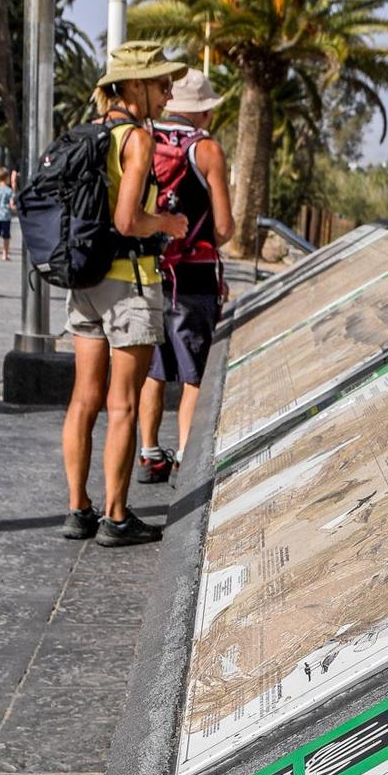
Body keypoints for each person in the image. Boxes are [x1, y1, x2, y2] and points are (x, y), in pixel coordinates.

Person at [59, 40, 188, 546]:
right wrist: (169, 223)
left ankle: (78, 509)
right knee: (124, 405)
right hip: (129, 284)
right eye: (160, 83)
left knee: (82, 401)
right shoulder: (135, 139)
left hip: (84, 283)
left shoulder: (89, 133)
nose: (168, 91)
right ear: (134, 86)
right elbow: (127, 219)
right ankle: (116, 516)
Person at [137, 67, 235, 484]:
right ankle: (182, 459)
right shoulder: (206, 150)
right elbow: (226, 226)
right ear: (203, 113)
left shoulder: (142, 139)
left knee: (152, 368)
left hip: (146, 270)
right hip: (192, 276)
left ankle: (148, 454)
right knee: (193, 372)